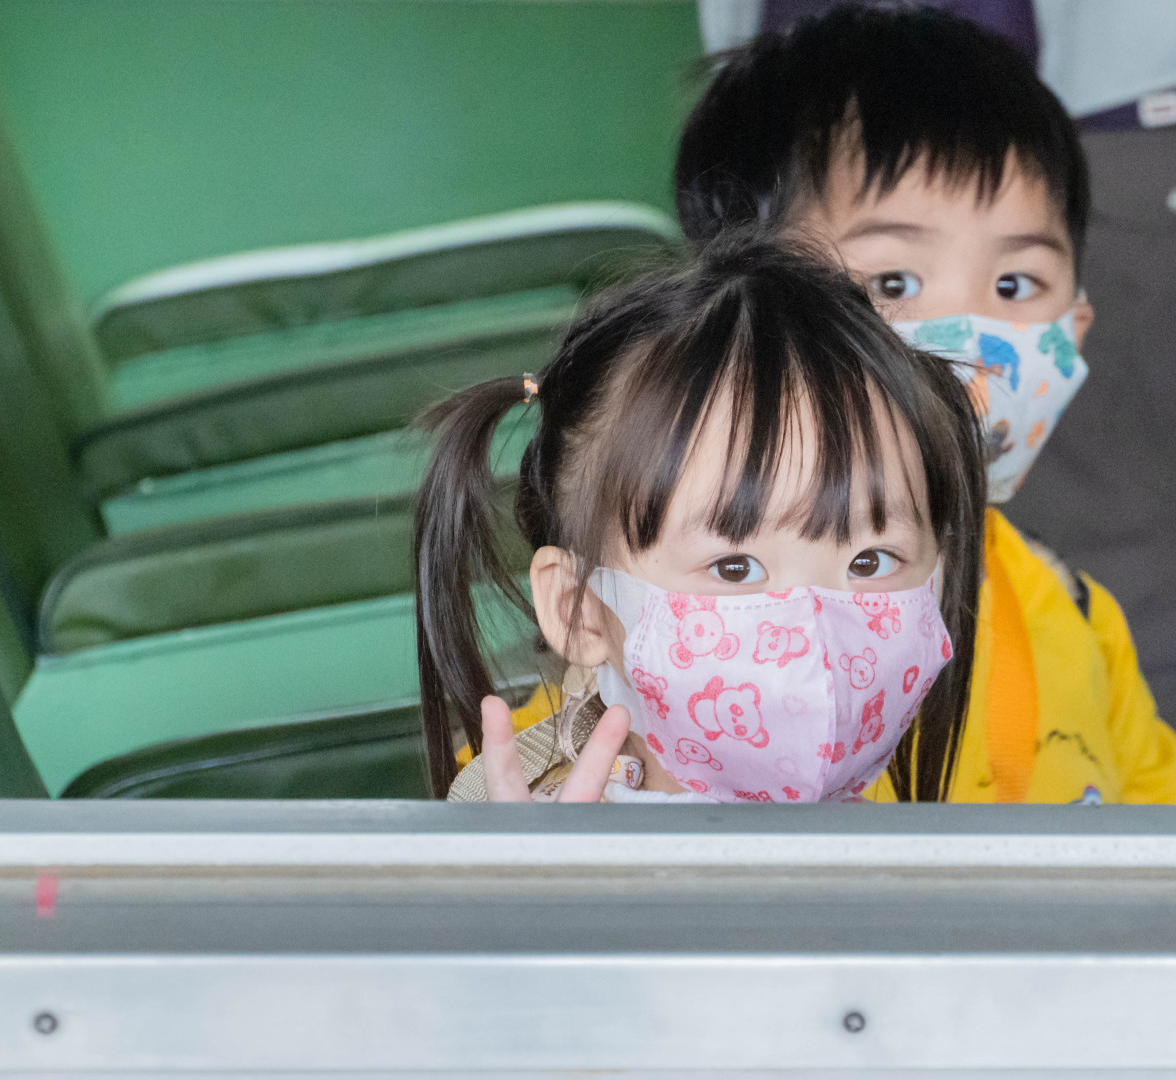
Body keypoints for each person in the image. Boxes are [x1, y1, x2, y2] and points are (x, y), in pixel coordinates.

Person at [668, 4, 1176, 803]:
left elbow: (1172, 845)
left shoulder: (1076, 612)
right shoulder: (693, 609)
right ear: (737, 317)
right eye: (894, 281)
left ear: (1074, 329)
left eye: (1015, 284)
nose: (970, 337)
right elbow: (527, 787)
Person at [416, 235, 988, 801]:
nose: (814, 631)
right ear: (579, 610)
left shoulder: (918, 852)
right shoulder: (534, 849)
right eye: (735, 567)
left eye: (871, 560)